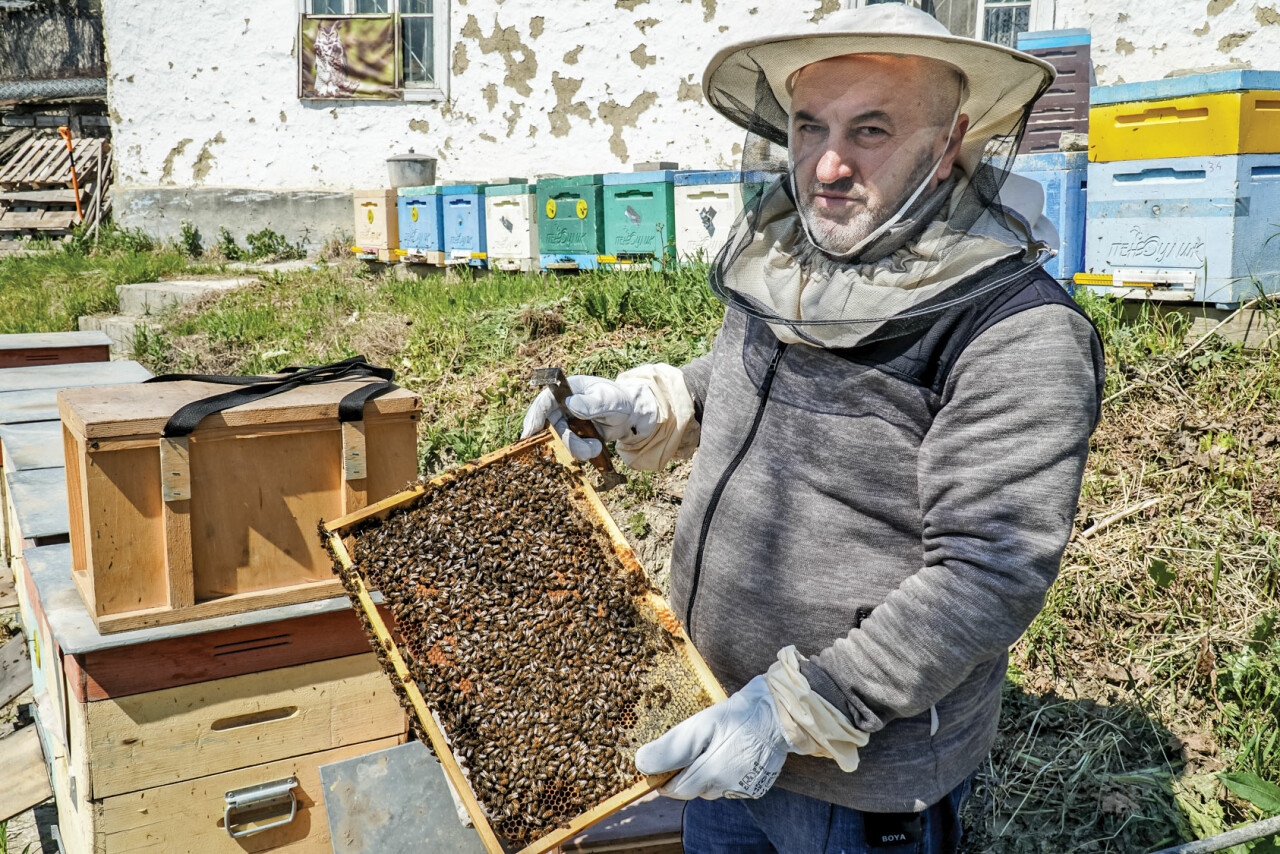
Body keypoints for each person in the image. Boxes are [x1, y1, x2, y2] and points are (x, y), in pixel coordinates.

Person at [523, 6, 1105, 852]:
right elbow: (745, 385)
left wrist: (801, 705)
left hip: (854, 787)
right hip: (715, 722)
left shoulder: (1016, 331)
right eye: (809, 125)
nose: (828, 163)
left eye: (870, 129)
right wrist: (653, 404)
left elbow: (988, 574)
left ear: (951, 142)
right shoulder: (795, 263)